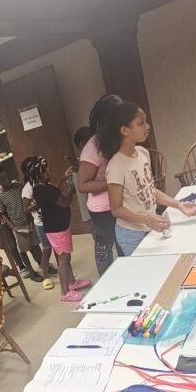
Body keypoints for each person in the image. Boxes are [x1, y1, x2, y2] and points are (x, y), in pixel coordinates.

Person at [103, 102, 196, 255]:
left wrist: (178, 204)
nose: (147, 126)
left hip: (150, 225)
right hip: (131, 234)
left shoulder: (143, 153)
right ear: (124, 130)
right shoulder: (116, 166)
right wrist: (146, 220)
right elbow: (116, 209)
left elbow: (149, 190)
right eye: (141, 123)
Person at [30, 156, 91, 302]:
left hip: (56, 227)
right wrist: (71, 189)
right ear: (42, 173)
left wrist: (63, 180)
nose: (50, 172)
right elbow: (64, 202)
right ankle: (65, 292)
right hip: (57, 229)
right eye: (48, 170)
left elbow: (53, 195)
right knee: (63, 258)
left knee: (65, 256)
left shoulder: (39, 188)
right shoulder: (47, 190)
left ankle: (72, 282)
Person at [77, 94, 125, 274]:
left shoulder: (119, 137)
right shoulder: (93, 147)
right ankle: (108, 281)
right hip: (103, 209)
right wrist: (113, 182)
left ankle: (128, 277)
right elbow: (83, 185)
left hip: (121, 201)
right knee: (106, 248)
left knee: (124, 242)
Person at [0, 162, 48, 285]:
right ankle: (31, 272)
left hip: (29, 221)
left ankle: (44, 265)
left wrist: (31, 217)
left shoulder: (18, 186)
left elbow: (27, 200)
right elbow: (3, 214)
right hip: (18, 226)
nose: (7, 180)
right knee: (23, 249)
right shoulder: (0, 197)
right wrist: (12, 227)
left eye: (7, 177)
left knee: (35, 246)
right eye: (3, 179)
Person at [21, 156, 59, 288]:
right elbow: (26, 209)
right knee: (47, 250)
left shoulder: (46, 183)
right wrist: (39, 202)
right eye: (45, 169)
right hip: (41, 225)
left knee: (58, 249)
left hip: (53, 220)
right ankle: (46, 277)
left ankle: (64, 270)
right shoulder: (28, 188)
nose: (48, 171)